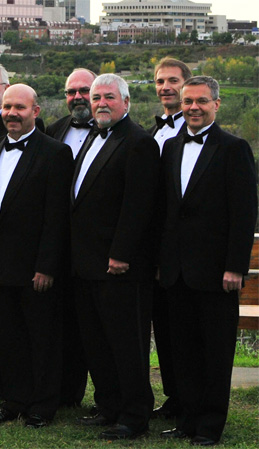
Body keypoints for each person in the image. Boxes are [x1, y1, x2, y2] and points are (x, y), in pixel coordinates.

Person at [157, 75, 257, 447]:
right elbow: (168, 212)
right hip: (176, 271)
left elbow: (244, 214)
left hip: (217, 273)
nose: (193, 108)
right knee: (182, 350)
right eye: (188, 102)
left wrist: (235, 266)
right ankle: (187, 419)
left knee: (215, 353)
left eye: (201, 101)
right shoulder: (171, 147)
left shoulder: (234, 148)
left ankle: (210, 425)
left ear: (216, 104)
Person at [0, 84, 72, 428]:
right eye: (7, 107)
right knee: (9, 339)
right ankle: (13, 401)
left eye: (19, 107)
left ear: (36, 111)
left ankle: (43, 406)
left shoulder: (56, 153)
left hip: (35, 268)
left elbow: (56, 216)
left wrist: (46, 266)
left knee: (42, 339)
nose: (11, 113)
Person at [71, 74, 159, 440]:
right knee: (96, 341)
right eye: (96, 97)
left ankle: (135, 414)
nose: (101, 103)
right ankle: (108, 406)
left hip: (118, 265)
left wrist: (121, 254)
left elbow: (138, 206)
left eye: (109, 97)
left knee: (126, 343)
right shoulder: (93, 135)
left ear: (126, 101)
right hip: (85, 261)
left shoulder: (138, 142)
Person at [43, 67, 97, 409]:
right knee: (59, 324)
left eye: (84, 90)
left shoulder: (120, 134)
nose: (77, 97)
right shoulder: (53, 132)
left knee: (93, 327)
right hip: (57, 248)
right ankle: (64, 393)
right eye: (71, 91)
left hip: (97, 249)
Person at [149, 56, 191, 421]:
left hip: (184, 251)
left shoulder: (195, 133)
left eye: (173, 80)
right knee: (161, 328)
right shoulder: (152, 133)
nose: (166, 87)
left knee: (182, 330)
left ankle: (186, 398)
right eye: (161, 81)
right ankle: (172, 396)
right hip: (150, 249)